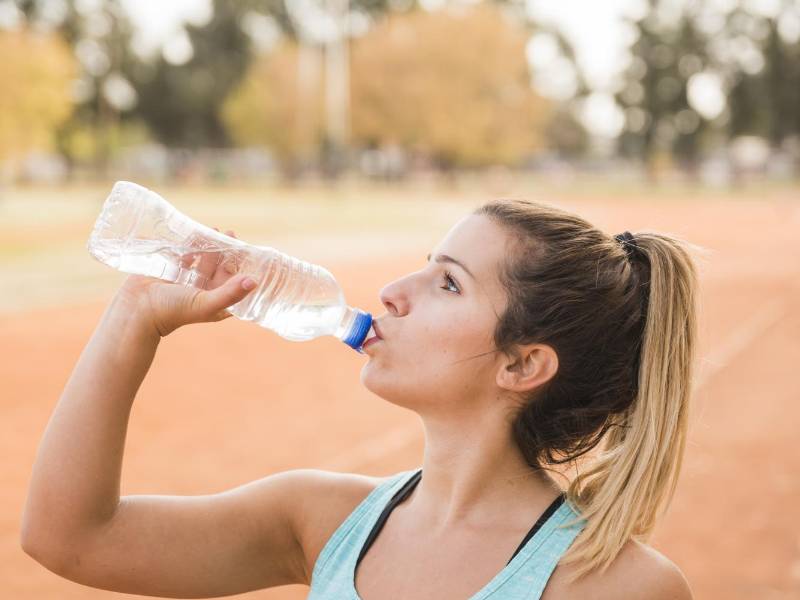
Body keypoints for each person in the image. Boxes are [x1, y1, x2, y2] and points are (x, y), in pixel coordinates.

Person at [21, 199, 698, 599]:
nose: (393, 292)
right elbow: (72, 537)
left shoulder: (621, 586)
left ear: (523, 364)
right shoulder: (318, 520)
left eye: (449, 284)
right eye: (425, 266)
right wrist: (135, 314)